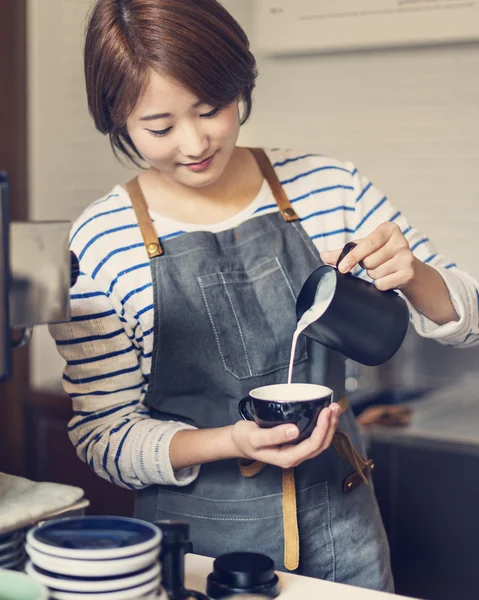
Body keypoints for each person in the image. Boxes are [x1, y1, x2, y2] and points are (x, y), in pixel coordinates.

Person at [49, 0, 479, 592]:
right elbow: (102, 436)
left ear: (239, 86)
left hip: (347, 536)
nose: (196, 142)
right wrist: (229, 441)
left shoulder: (329, 187)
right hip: (195, 555)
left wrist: (414, 274)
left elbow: (468, 324)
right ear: (116, 119)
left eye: (212, 109)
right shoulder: (101, 241)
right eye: (159, 127)